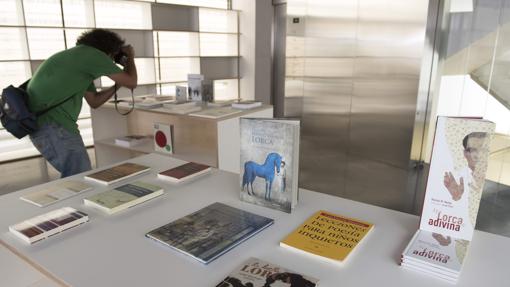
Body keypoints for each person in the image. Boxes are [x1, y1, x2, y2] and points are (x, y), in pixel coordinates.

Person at [27, 29, 137, 178]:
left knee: (77, 175)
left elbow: (94, 101)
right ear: (109, 50)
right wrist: (130, 56)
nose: (112, 60)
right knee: (79, 177)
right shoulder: (93, 55)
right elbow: (132, 82)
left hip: (46, 125)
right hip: (53, 125)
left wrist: (118, 84)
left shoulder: (77, 60)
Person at [443, 132, 488, 201]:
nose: (478, 155)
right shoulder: (456, 179)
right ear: (465, 153)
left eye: (483, 149)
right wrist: (456, 196)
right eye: (473, 150)